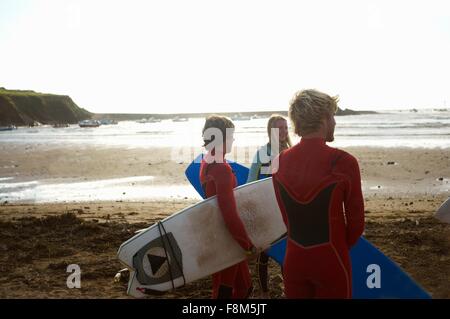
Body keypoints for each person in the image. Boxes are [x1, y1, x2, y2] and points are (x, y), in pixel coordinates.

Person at [271, 89, 365, 298]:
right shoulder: (344, 162)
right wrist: (335, 247)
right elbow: (357, 225)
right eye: (332, 116)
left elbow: (286, 219)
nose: (334, 122)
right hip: (331, 259)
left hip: (294, 260)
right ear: (323, 119)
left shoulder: (279, 162)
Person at [200, 115, 257, 299]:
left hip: (220, 234)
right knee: (224, 291)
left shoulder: (206, 161)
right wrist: (247, 245)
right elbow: (228, 212)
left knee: (243, 288)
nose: (233, 140)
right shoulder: (220, 168)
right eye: (231, 136)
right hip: (228, 238)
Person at [247, 114, 292, 298]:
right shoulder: (263, 154)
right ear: (270, 131)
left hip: (285, 211)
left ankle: (287, 289)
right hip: (266, 211)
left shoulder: (291, 152)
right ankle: (264, 293)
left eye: (286, 128)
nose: (283, 132)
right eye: (278, 128)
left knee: (287, 253)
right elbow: (250, 183)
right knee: (264, 254)